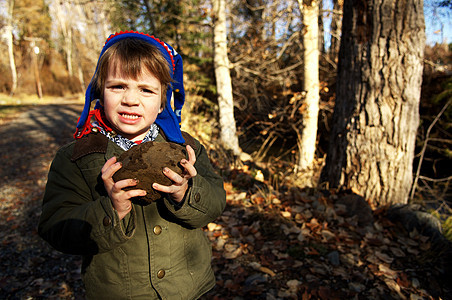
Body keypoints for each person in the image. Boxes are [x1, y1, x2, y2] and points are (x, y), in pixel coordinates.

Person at [38, 31, 226, 299]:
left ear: (163, 101)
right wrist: (111, 210)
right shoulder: (77, 157)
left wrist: (186, 191)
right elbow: (55, 226)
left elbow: (217, 201)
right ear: (100, 92)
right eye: (118, 87)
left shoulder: (186, 148)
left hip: (188, 289)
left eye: (146, 90)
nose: (130, 99)